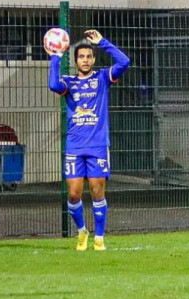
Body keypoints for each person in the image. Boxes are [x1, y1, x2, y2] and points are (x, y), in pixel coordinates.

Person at [47, 30, 129, 251]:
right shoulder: (70, 83)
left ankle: (99, 237)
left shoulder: (102, 78)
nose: (85, 60)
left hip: (98, 146)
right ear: (75, 61)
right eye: (81, 57)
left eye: (88, 56)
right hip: (75, 145)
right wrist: (55, 56)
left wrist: (103, 42)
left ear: (93, 59)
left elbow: (125, 61)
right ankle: (82, 230)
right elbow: (54, 85)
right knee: (74, 193)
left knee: (96, 191)